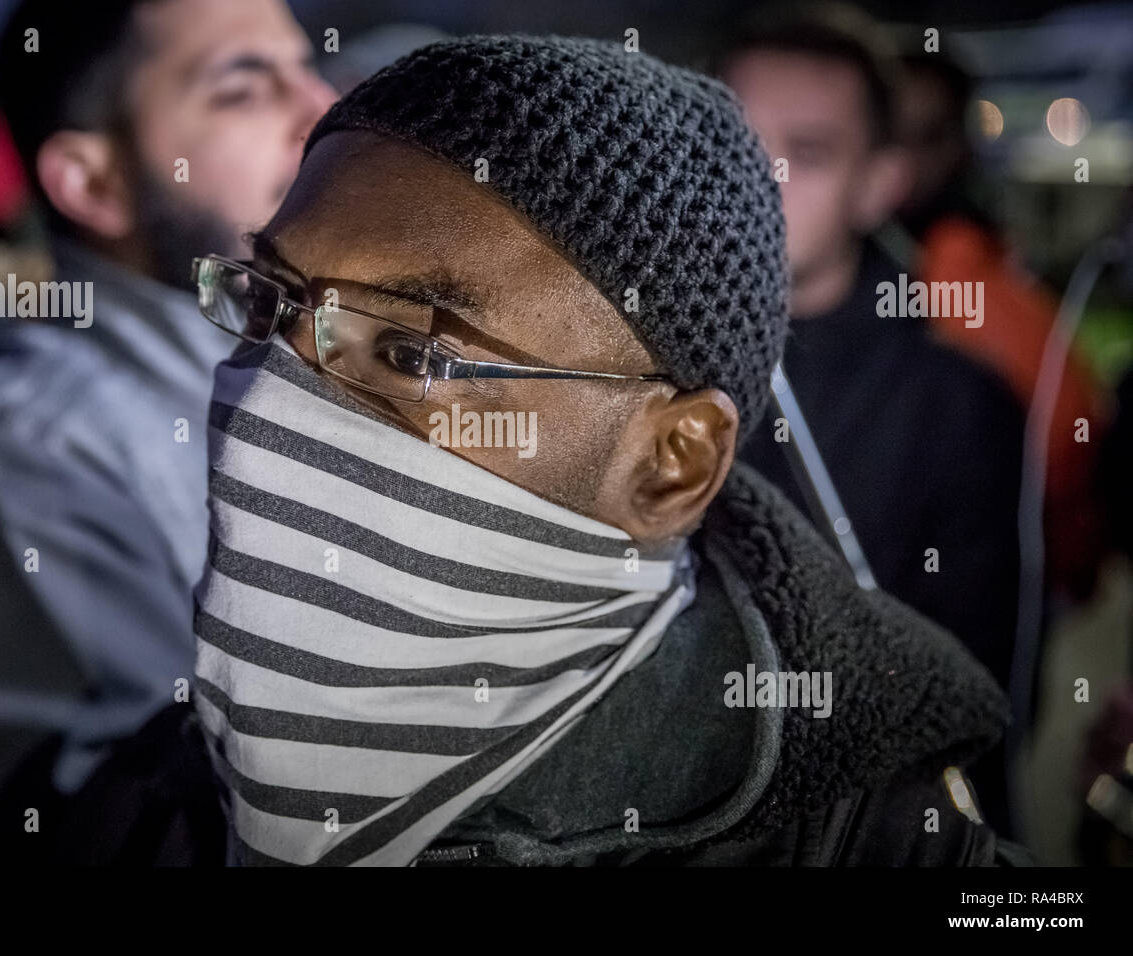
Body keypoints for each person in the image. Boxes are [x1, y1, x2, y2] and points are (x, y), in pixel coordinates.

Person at [190, 35, 1020, 866]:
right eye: (271, 305)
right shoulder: (158, 784)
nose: (267, 401)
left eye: (411, 354)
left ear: (674, 461)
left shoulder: (879, 851)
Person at [0, 0, 334, 862]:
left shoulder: (294, 387)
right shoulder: (15, 460)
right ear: (93, 182)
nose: (323, 108)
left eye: (303, 69)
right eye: (243, 89)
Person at [715, 7, 1025, 717]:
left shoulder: (958, 410)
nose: (761, 179)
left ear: (881, 183)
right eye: (734, 141)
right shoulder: (621, 359)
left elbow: (966, 697)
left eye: (810, 151)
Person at [895, 44, 1108, 602]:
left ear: (952, 150)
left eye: (917, 138)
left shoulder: (945, 271)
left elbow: (1059, 436)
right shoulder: (949, 259)